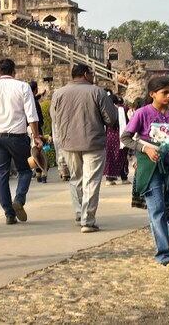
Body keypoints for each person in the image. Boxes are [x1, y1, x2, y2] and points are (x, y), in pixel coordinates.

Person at [121, 77, 169, 268]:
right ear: (152, 94)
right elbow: (126, 138)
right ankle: (165, 255)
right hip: (150, 167)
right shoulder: (142, 114)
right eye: (165, 93)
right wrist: (145, 149)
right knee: (157, 210)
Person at [50, 64, 117, 232]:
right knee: (91, 180)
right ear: (86, 74)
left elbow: (54, 118)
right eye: (92, 74)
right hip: (93, 141)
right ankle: (87, 220)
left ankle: (80, 213)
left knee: (76, 178)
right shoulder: (97, 92)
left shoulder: (58, 93)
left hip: (68, 142)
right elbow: (110, 118)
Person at [0, 58, 44, 224]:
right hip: (17, 136)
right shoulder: (23, 87)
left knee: (1, 176)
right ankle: (19, 200)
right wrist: (36, 136)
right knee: (25, 170)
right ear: (14, 71)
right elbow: (31, 115)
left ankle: (9, 214)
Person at [104, 94, 129, 185]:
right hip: (123, 136)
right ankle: (124, 178)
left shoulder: (108, 110)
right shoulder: (125, 109)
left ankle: (109, 179)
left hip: (110, 136)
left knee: (110, 156)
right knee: (123, 156)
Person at [29, 81, 47, 183]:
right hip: (36, 128)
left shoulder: (28, 100)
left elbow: (34, 98)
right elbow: (38, 119)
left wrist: (41, 95)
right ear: (35, 89)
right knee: (41, 150)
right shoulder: (34, 102)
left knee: (33, 150)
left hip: (27, 129)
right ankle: (43, 171)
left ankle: (38, 173)